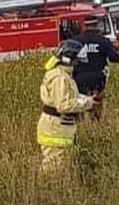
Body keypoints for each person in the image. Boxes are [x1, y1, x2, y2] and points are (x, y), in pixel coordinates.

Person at [37, 39, 94, 174]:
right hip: (55, 129)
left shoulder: (63, 75)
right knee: (55, 167)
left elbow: (69, 98)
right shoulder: (60, 78)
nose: (77, 64)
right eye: (76, 61)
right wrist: (89, 103)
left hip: (58, 127)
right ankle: (48, 191)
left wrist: (87, 99)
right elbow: (64, 105)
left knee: (59, 164)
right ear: (68, 59)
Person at [71, 17, 119, 120]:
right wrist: (117, 49)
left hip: (79, 78)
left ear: (84, 25)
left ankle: (79, 123)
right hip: (98, 78)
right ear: (97, 25)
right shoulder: (103, 40)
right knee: (96, 103)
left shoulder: (76, 41)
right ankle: (95, 124)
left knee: (80, 103)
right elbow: (115, 59)